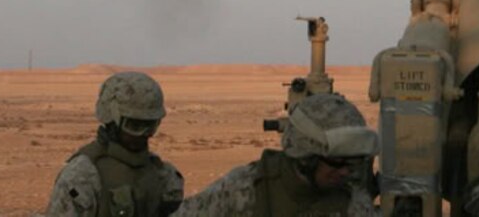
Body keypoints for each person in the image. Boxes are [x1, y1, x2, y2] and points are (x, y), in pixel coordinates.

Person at [177, 92, 379, 216]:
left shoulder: (352, 201)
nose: (345, 172)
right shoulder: (243, 191)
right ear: (305, 157)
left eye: (353, 163)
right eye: (338, 162)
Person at [46, 71, 184, 217]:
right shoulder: (82, 177)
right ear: (112, 121)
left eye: (150, 125)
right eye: (134, 125)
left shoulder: (165, 175)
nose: (145, 134)